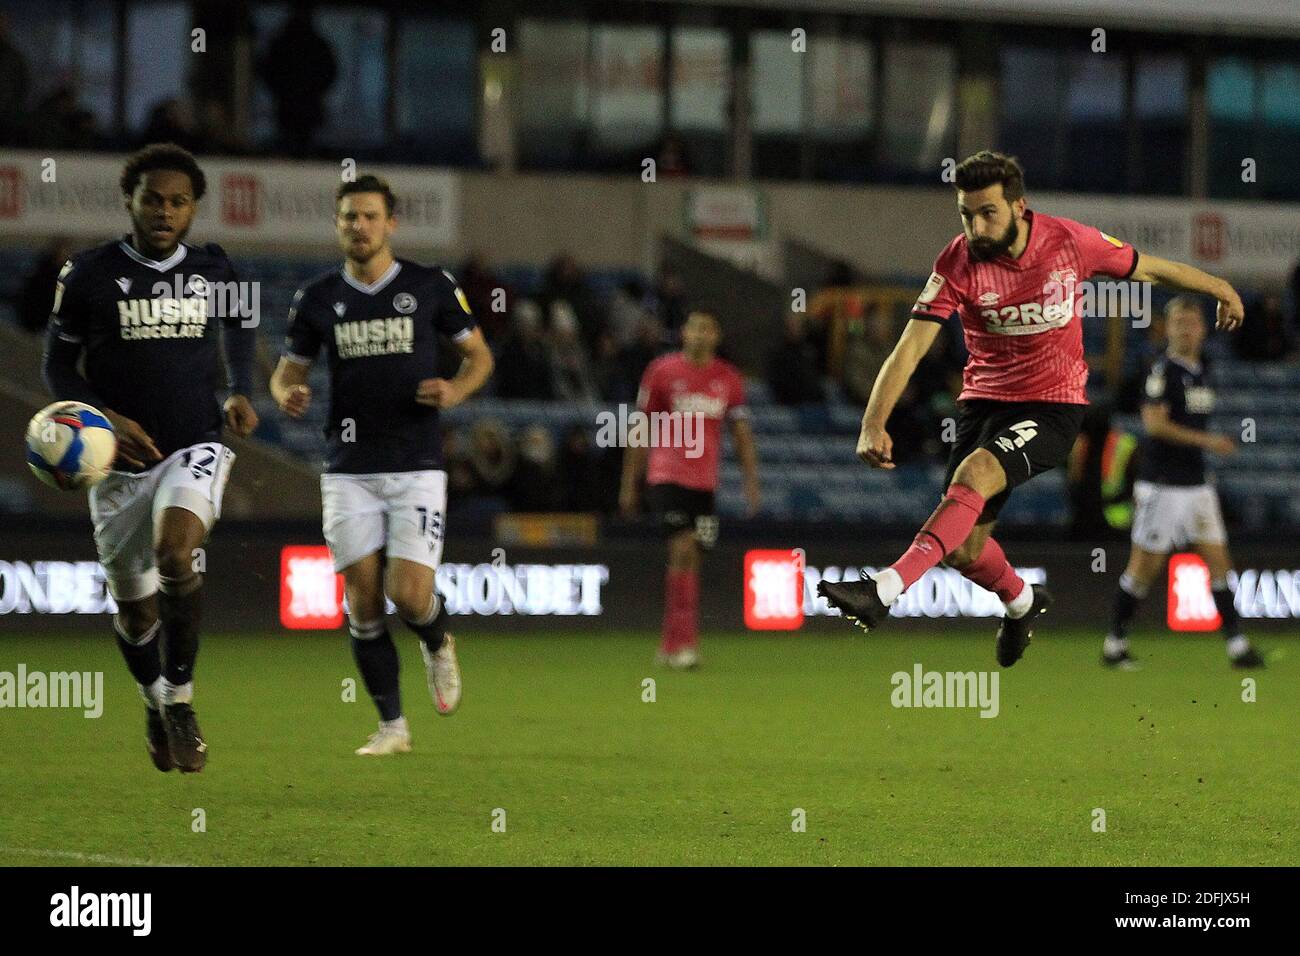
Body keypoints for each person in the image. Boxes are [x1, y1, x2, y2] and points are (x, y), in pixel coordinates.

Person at [817, 150, 1246, 668]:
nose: (975, 226)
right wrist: (873, 420)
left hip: (1052, 407)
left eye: (987, 213)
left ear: (1019, 206)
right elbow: (910, 347)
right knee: (965, 549)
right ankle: (1021, 602)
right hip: (982, 406)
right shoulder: (957, 261)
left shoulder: (1070, 242)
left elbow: (1150, 270)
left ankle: (883, 588)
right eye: (966, 214)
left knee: (975, 474)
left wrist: (1220, 286)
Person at [41, 143, 258, 772]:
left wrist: (241, 387)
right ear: (130, 201)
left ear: (193, 209)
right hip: (115, 463)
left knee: (175, 553)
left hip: (195, 441)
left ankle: (183, 700)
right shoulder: (87, 274)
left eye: (178, 201)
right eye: (153, 199)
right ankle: (153, 699)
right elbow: (57, 363)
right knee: (135, 611)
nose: (165, 211)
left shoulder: (218, 271)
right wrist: (103, 418)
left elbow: (242, 326)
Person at [269, 174, 494, 755]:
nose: (359, 226)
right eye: (349, 217)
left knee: (410, 593)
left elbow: (479, 356)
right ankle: (392, 727)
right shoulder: (317, 297)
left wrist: (454, 391)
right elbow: (288, 369)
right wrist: (283, 392)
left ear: (391, 223)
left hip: (416, 463)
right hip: (348, 467)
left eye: (370, 216)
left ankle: (437, 640)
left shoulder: (428, 286)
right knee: (363, 603)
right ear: (338, 224)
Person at [1102, 298, 1265, 670]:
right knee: (1144, 568)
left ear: (1203, 329)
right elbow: (1154, 425)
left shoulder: (1201, 369)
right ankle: (1115, 644)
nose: (1186, 329)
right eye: (1179, 322)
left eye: (1192, 322)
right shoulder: (1163, 371)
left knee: (1220, 562)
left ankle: (1237, 646)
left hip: (1196, 485)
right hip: (1162, 484)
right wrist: (1210, 442)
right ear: (1167, 328)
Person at [620, 312, 760, 669]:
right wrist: (629, 483)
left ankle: (670, 643)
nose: (700, 335)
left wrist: (750, 483)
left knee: (690, 559)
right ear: (684, 333)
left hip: (704, 483)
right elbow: (641, 426)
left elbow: (740, 434)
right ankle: (684, 645)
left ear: (716, 335)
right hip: (667, 476)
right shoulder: (662, 372)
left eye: (707, 329)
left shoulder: (728, 379)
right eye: (694, 328)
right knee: (682, 548)